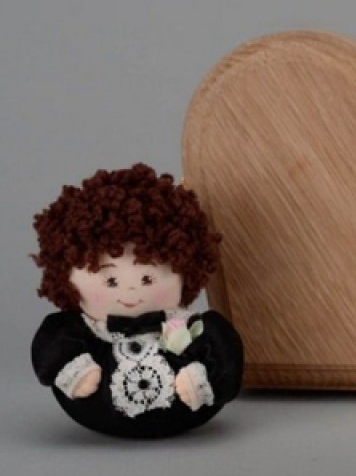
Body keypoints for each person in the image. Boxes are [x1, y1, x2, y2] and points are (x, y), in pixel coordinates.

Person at [31, 163, 243, 438]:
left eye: (148, 279)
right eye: (110, 281)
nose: (131, 292)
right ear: (65, 278)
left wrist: (206, 378)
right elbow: (50, 350)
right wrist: (72, 370)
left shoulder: (194, 329)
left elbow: (225, 355)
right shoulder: (72, 332)